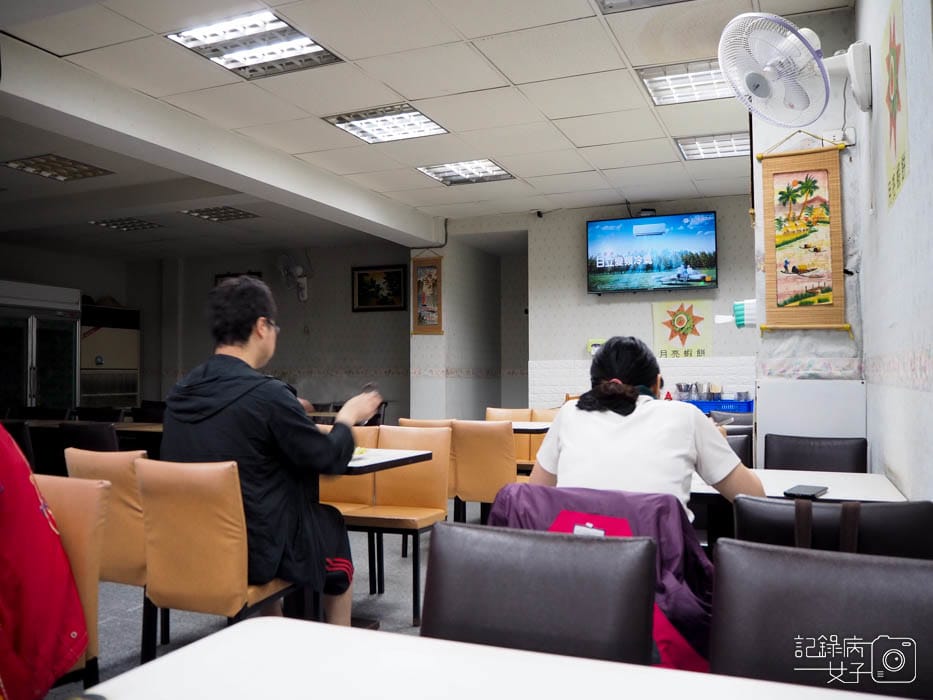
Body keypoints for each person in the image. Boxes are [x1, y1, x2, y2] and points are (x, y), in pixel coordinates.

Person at [161, 276, 382, 625]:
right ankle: (342, 639)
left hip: (181, 547)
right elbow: (328, 458)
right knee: (328, 522)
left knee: (270, 508)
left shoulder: (180, 393)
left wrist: (289, 410)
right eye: (275, 326)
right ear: (262, 326)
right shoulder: (266, 395)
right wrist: (348, 417)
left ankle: (270, 625)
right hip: (250, 554)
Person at [530, 336, 764, 514]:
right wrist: (717, 443)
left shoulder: (570, 412)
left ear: (594, 384)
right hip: (656, 571)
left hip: (572, 566)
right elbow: (756, 497)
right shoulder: (686, 416)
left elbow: (536, 497)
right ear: (657, 383)